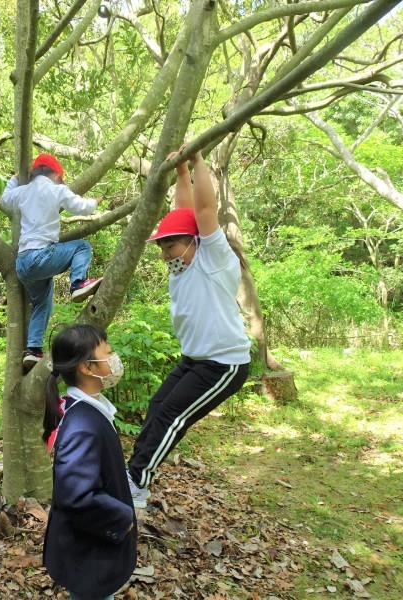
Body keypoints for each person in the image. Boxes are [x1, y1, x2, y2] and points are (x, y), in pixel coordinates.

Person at [126, 146, 251, 509]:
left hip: (223, 364)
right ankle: (135, 471)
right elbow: (183, 214)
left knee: (171, 416)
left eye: (173, 245)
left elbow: (203, 211)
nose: (167, 254)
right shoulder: (180, 264)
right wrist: (181, 174)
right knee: (157, 406)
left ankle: (136, 484)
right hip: (194, 360)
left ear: (196, 241)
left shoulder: (213, 259)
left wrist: (198, 162)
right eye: (162, 247)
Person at [42, 324, 137, 600]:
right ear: (87, 367)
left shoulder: (90, 409)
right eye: (108, 352)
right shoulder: (83, 424)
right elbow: (76, 495)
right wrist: (123, 518)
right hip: (89, 555)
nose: (114, 358)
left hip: (93, 549)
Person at [1, 153, 104, 368]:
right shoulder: (57, 190)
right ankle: (77, 283)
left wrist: (14, 177)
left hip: (23, 264)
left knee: (42, 302)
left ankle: (33, 350)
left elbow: (5, 199)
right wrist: (94, 202)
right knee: (82, 246)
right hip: (42, 256)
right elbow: (80, 207)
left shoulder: (23, 191)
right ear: (56, 176)